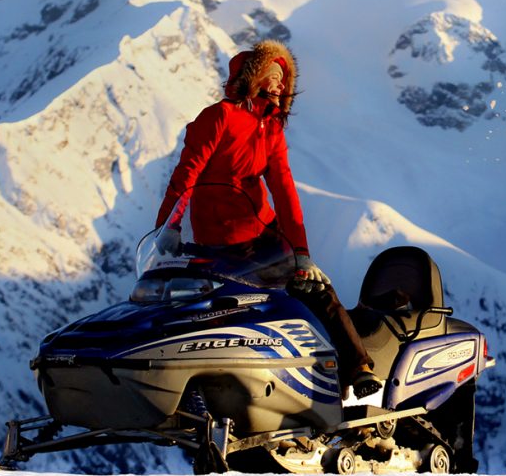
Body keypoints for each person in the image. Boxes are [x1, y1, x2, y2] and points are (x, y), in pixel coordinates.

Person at [156, 40, 382, 399]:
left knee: (315, 291)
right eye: (272, 76)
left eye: (283, 79)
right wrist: (168, 226)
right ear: (251, 78)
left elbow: (285, 191)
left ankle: (357, 369)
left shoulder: (272, 129)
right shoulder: (218, 117)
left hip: (263, 240)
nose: (279, 85)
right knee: (208, 313)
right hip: (216, 245)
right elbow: (187, 176)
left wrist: (302, 253)